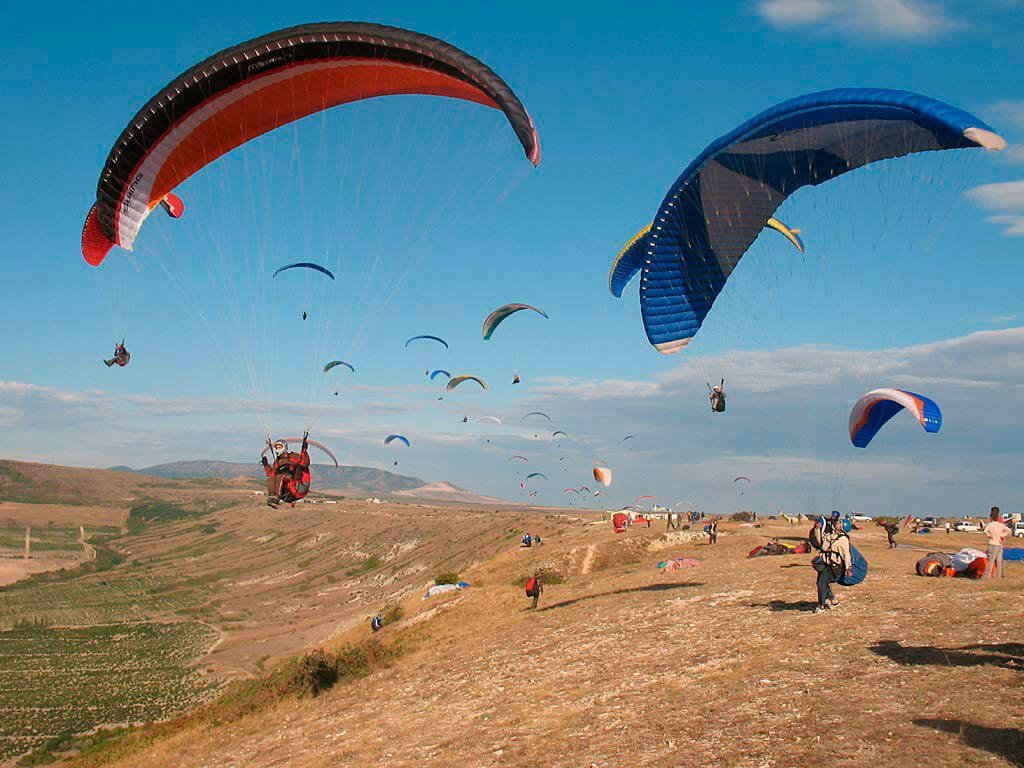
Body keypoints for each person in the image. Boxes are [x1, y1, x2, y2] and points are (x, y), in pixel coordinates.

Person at [813, 513, 853, 614]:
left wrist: (848, 568)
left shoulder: (843, 540)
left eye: (839, 523)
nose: (836, 523)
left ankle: (821, 606)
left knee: (821, 583)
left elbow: (846, 554)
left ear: (843, 526)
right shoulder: (830, 535)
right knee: (822, 583)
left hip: (833, 566)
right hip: (824, 563)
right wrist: (817, 530)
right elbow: (821, 544)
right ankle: (833, 600)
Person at [261, 433, 312, 508]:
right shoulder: (278, 462)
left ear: (284, 447)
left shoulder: (293, 456)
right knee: (271, 478)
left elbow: (305, 463)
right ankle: (272, 497)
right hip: (288, 487)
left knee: (280, 477)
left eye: (279, 447)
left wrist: (304, 450)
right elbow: (271, 474)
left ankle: (277, 498)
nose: (278, 449)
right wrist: (266, 465)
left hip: (300, 485)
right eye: (277, 448)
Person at [983, 506, 1010, 579]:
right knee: (999, 560)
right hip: (999, 542)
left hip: (993, 543)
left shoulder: (990, 524)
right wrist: (1002, 535)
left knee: (991, 560)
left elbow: (985, 531)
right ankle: (998, 576)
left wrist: (989, 535)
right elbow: (1008, 530)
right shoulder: (1000, 523)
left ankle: (987, 575)